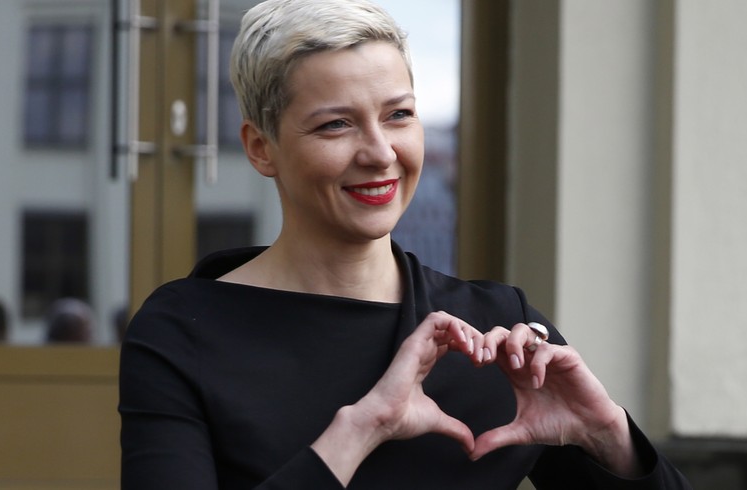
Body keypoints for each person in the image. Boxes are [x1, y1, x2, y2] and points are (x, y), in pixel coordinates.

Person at [119, 0, 691, 488]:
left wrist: (608, 435)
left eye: (398, 115)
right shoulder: (184, 329)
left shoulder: (495, 333)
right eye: (335, 125)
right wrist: (361, 429)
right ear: (261, 147)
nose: (379, 152)